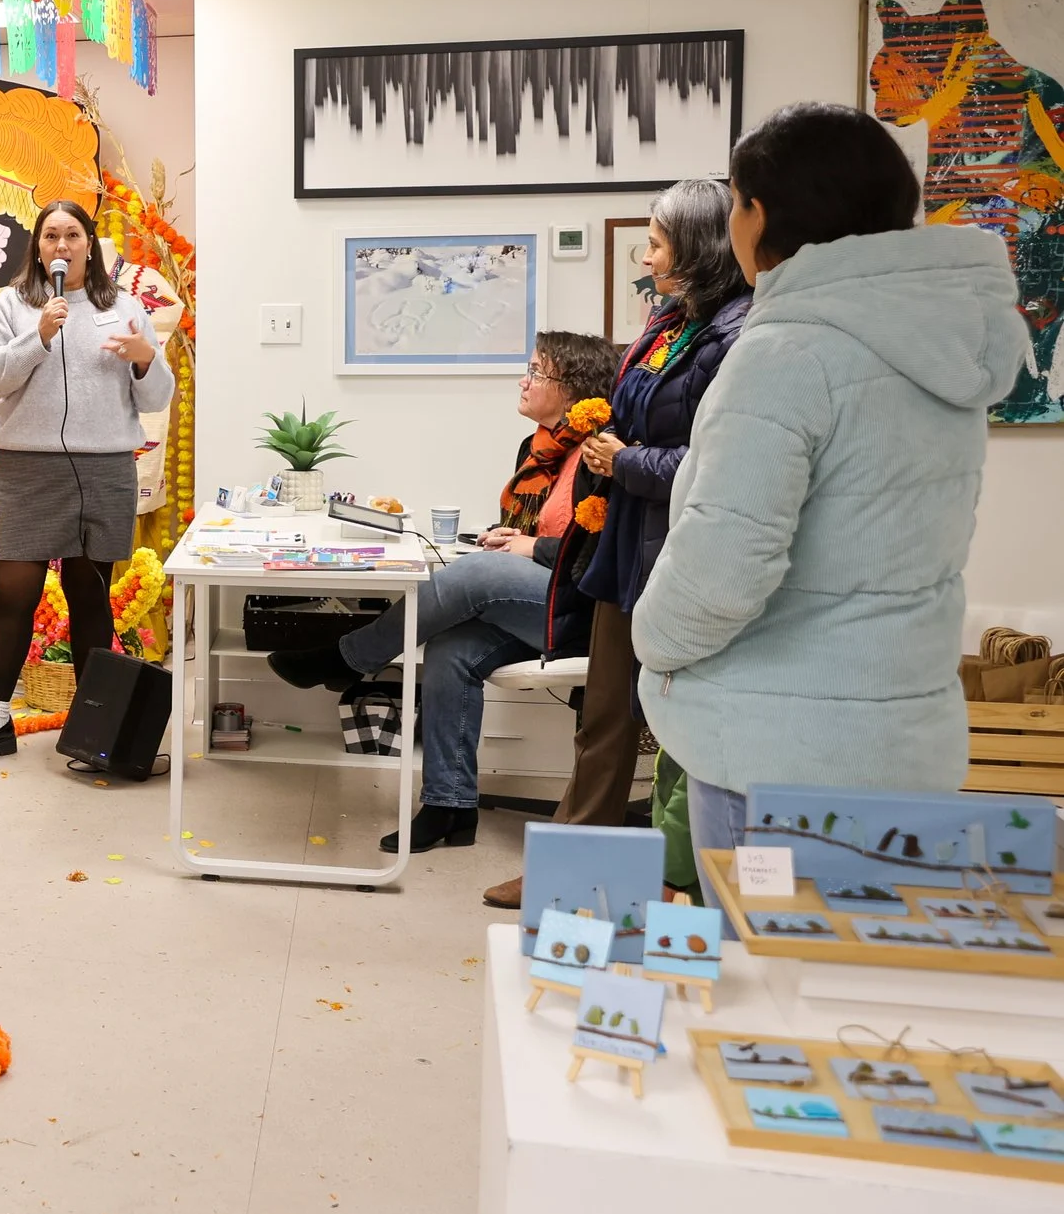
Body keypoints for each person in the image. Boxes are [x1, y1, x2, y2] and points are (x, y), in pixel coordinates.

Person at [634, 103, 1033, 862]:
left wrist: (653, 640)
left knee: (759, 940)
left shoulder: (786, 354)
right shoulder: (938, 347)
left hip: (776, 750)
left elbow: (723, 568)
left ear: (758, 214)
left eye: (735, 201)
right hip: (904, 735)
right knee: (859, 936)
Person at [483, 181, 753, 910]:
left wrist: (626, 462)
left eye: (657, 244)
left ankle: (677, 883)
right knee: (604, 718)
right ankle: (569, 869)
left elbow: (720, 464)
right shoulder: (668, 323)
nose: (647, 257)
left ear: (697, 248)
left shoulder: (738, 335)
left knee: (679, 732)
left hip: (683, 558)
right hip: (625, 547)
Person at [269, 331, 620, 851]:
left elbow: (601, 551)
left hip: (585, 610)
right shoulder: (537, 449)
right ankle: (449, 808)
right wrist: (510, 536)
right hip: (541, 598)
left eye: (536, 372)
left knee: (474, 575)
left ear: (572, 388)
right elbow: (537, 531)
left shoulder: (599, 454)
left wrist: (533, 548)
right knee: (450, 649)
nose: (523, 381)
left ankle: (348, 658)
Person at [0, 201, 174, 768]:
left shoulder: (122, 306)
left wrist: (146, 359)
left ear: (89, 244)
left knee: (89, 595)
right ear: (38, 246)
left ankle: (93, 725)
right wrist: (39, 336)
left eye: (73, 234)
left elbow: (156, 397)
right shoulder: (13, 304)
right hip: (28, 469)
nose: (62, 245)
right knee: (14, 594)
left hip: (104, 469)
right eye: (51, 235)